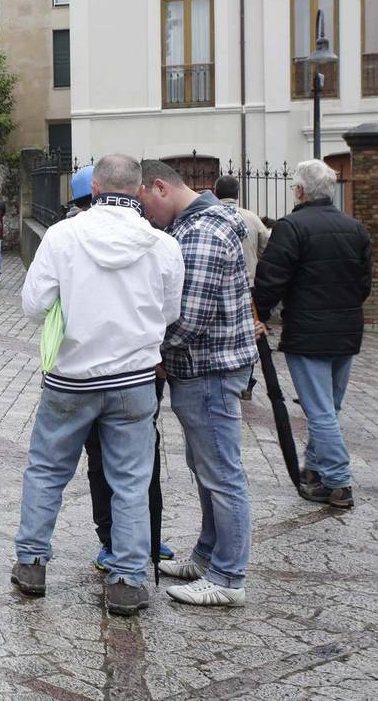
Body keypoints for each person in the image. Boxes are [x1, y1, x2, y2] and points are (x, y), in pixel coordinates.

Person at [14, 154, 184, 617]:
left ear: (94, 189)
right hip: (133, 380)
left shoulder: (63, 236)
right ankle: (127, 580)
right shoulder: (161, 245)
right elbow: (170, 313)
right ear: (139, 190)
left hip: (71, 377)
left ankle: (32, 562)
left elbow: (32, 305)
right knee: (130, 480)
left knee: (47, 470)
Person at [139, 159, 257, 607]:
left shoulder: (202, 232)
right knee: (207, 469)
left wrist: (153, 352)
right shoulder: (194, 226)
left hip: (208, 368)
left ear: (160, 187)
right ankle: (208, 557)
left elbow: (190, 318)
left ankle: (228, 577)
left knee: (221, 473)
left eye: (144, 202)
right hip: (204, 368)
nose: (145, 214)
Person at [253, 160, 372, 510]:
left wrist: (260, 313)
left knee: (319, 410)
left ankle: (337, 481)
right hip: (347, 330)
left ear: (301, 191)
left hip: (308, 332)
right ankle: (315, 469)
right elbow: (363, 283)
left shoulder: (292, 227)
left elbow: (271, 280)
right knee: (329, 407)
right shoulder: (355, 228)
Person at [214, 175, 270, 400]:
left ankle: (222, 374)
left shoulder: (210, 216)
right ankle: (246, 380)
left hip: (217, 286)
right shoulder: (252, 218)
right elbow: (268, 246)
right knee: (250, 332)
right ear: (238, 193)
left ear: (215, 191)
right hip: (248, 285)